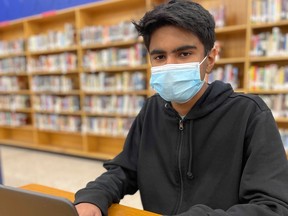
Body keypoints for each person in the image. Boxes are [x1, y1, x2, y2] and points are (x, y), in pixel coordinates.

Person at [74, 0, 288, 215]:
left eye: (184, 54)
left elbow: (272, 207)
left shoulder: (249, 114)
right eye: (159, 57)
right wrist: (94, 196)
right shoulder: (151, 110)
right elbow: (125, 169)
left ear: (210, 59)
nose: (170, 65)